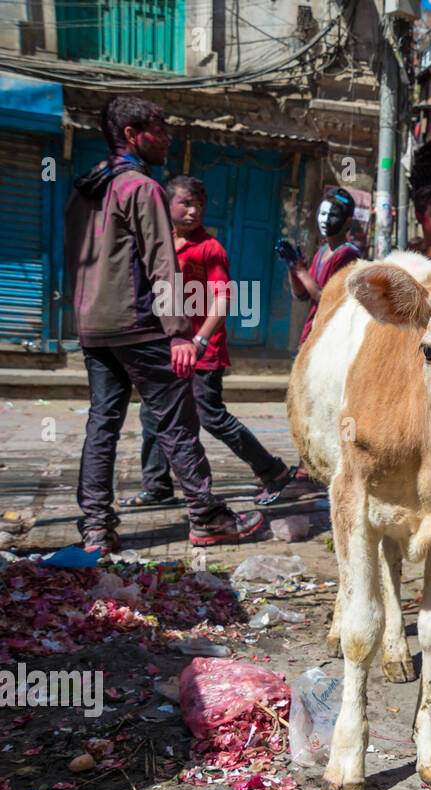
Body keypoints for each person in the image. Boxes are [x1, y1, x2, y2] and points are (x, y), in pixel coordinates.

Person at [64, 95, 263, 552]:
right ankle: (206, 516)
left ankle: (96, 526)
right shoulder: (141, 187)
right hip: (138, 323)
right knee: (177, 418)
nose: (167, 138)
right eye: (160, 129)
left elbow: (75, 262)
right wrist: (178, 333)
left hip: (94, 325)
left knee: (102, 423)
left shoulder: (84, 189)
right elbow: (161, 264)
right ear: (133, 136)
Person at [118, 175, 311, 510]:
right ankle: (157, 485)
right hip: (166, 348)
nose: (193, 212)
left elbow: (223, 301)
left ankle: (274, 471)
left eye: (199, 205)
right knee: (152, 414)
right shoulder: (159, 245)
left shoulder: (210, 248)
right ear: (167, 204)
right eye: (186, 203)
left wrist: (200, 340)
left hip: (200, 351)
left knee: (212, 417)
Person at [280, 188, 362, 346]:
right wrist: (292, 268)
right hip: (312, 333)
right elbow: (302, 296)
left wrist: (301, 272)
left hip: (330, 340)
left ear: (348, 222)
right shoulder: (322, 252)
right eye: (323, 214)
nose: (325, 220)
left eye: (333, 216)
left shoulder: (348, 254)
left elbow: (328, 300)